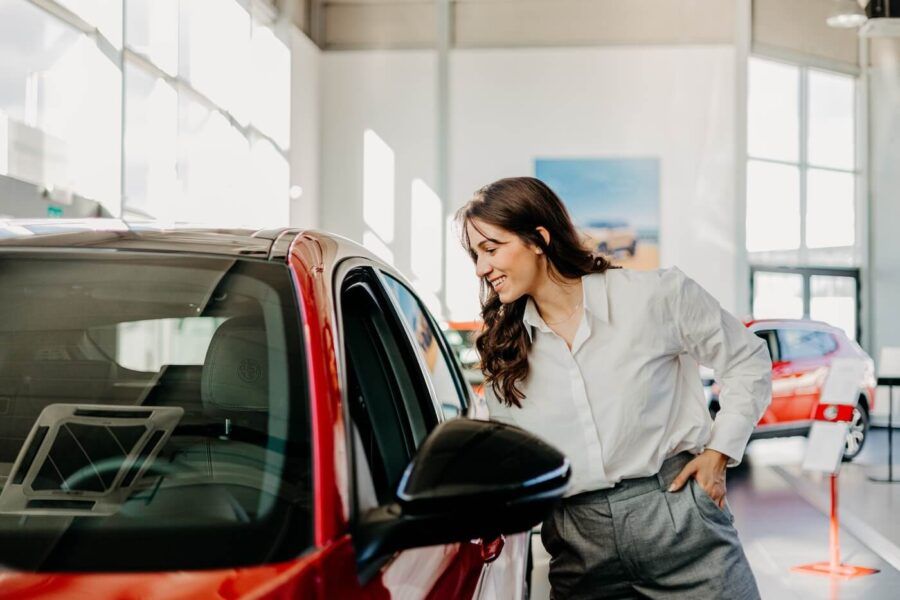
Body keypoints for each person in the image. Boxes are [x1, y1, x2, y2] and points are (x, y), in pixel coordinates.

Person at [456, 177, 772, 599]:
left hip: (679, 520)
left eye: (491, 250)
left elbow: (747, 359)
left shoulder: (653, 297)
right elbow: (512, 461)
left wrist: (718, 454)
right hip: (577, 545)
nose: (480, 268)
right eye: (476, 256)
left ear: (538, 239)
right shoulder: (506, 351)